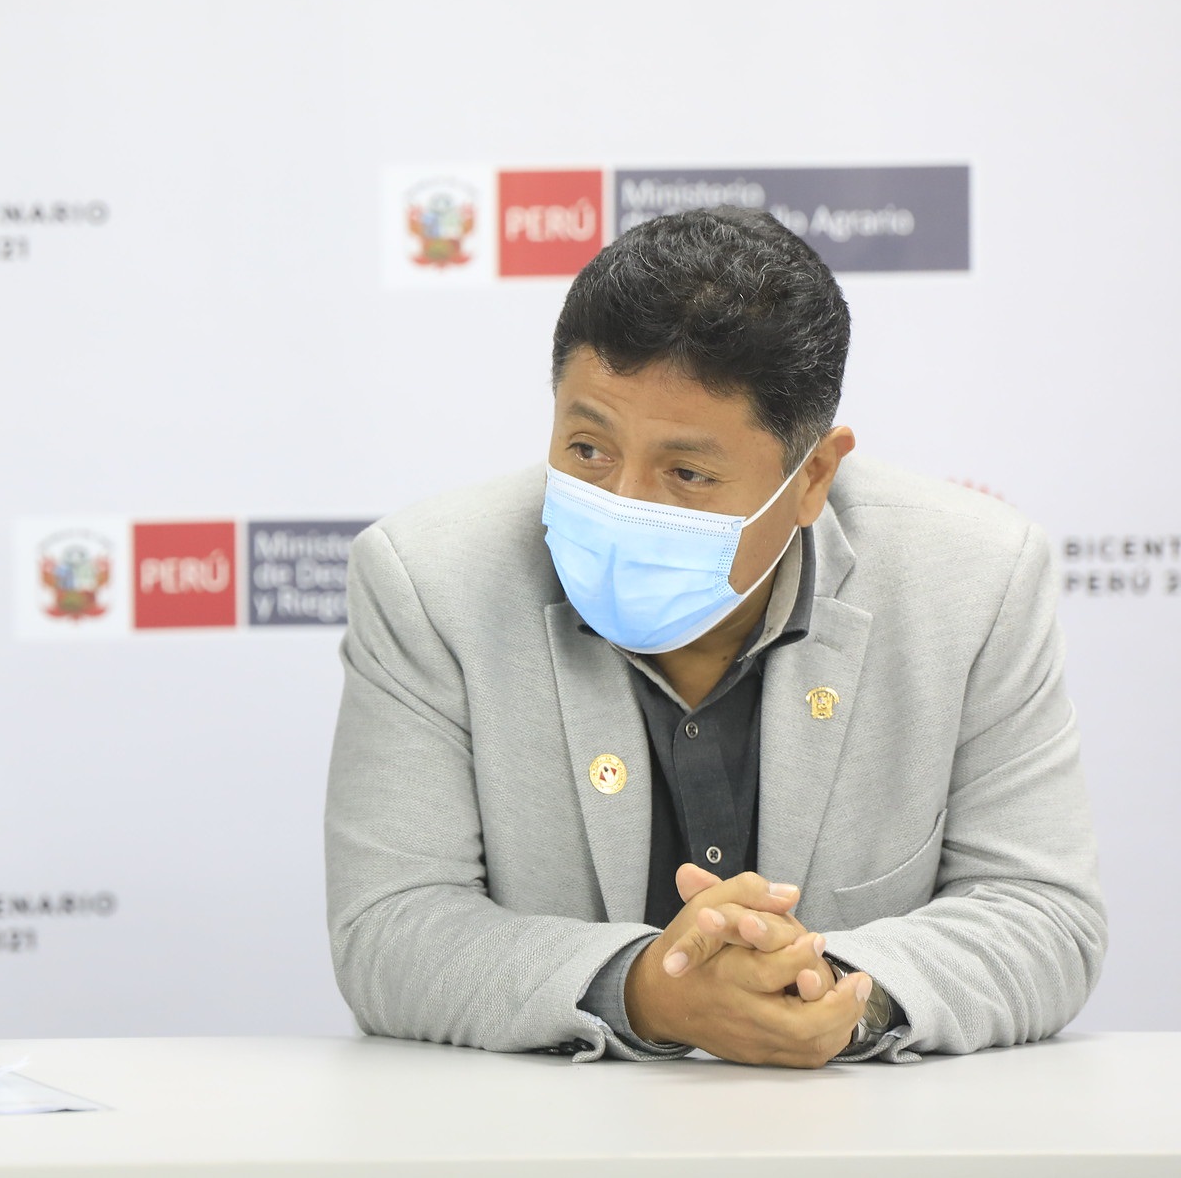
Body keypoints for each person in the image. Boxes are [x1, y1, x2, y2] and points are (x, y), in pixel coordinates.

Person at [325, 206, 1104, 1066]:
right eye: (587, 448)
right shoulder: (427, 581)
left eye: (687, 472)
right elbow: (390, 927)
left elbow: (1042, 912)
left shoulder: (974, 580)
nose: (622, 501)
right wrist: (647, 991)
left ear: (812, 476)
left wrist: (833, 991)